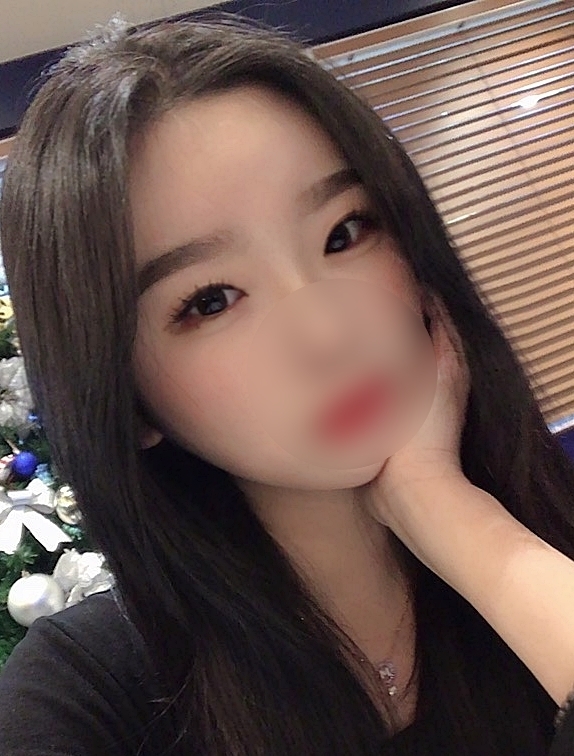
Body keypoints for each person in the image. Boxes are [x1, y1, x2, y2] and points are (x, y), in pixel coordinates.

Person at [0, 14, 573, 756]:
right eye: (211, 301)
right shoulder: (87, 697)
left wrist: (453, 518)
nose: (329, 336)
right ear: (127, 398)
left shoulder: (551, 527)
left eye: (345, 233)